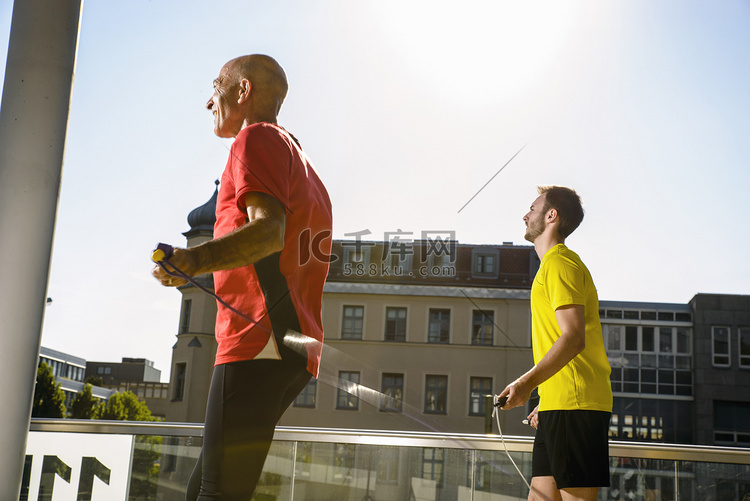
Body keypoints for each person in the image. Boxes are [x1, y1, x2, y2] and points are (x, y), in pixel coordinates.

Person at [152, 54, 333, 500]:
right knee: (208, 487)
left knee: (219, 492)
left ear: (243, 90)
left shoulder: (256, 138)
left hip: (259, 339)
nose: (208, 101)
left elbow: (269, 232)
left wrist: (194, 261)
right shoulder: (302, 160)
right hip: (292, 344)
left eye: (216, 85)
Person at [497, 186, 612, 501]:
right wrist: (544, 400)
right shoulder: (550, 267)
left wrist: (525, 384)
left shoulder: (560, 263)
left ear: (551, 215)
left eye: (532, 208)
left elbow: (573, 338)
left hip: (576, 405)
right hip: (558, 405)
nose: (526, 215)